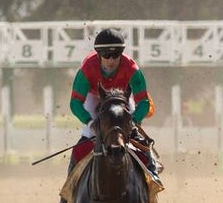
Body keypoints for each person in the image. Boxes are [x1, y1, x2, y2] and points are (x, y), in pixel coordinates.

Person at [67, 27, 160, 179]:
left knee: (134, 134)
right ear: (98, 54)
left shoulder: (132, 68)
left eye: (116, 55)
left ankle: (153, 178)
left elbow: (143, 102)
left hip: (121, 97)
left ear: (121, 54)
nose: (111, 60)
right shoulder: (87, 69)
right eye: (106, 55)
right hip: (94, 95)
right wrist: (91, 123)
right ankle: (68, 191)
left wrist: (133, 122)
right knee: (88, 135)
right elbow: (75, 103)